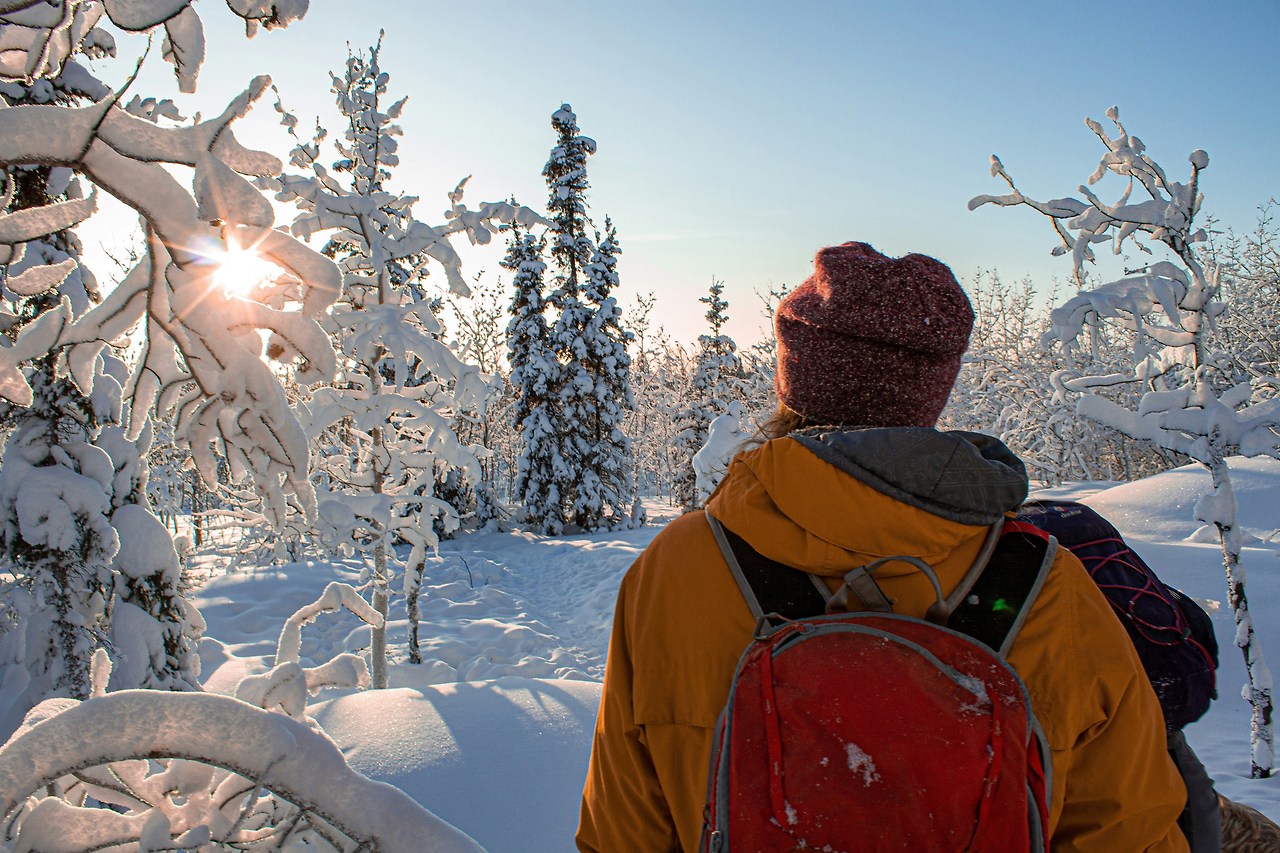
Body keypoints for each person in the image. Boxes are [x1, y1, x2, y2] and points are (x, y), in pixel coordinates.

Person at [576, 242, 1190, 852]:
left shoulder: (679, 568)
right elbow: (1133, 832)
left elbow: (621, 831)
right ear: (932, 392)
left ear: (792, 381)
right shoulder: (1047, 585)